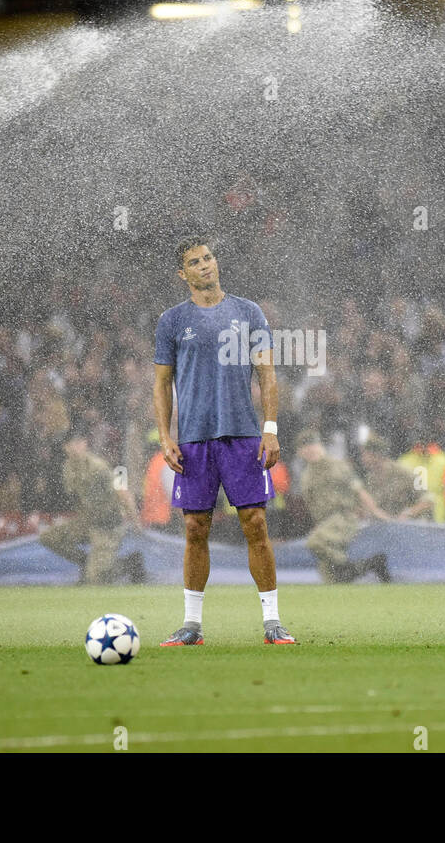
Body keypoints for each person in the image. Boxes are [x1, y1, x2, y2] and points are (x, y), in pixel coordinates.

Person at [153, 236, 295, 646]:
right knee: (196, 527)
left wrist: (270, 429)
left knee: (255, 523)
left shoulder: (248, 312)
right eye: (195, 262)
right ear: (183, 274)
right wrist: (166, 436)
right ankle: (192, 626)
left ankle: (273, 623)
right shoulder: (172, 321)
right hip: (194, 439)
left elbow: (267, 374)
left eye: (209, 258)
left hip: (243, 436)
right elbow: (161, 384)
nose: (205, 266)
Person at [38, 428, 146, 585]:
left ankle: (129, 564)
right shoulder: (68, 468)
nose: (75, 447)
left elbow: (123, 493)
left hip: (107, 525)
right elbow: (78, 498)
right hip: (88, 521)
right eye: (71, 444)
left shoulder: (99, 467)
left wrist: (136, 521)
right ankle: (87, 562)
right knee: (49, 538)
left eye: (78, 442)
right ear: (65, 447)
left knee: (95, 579)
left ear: (85, 444)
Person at [295, 431, 392, 583]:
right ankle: (369, 565)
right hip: (325, 523)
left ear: (320, 446)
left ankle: (352, 567)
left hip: (343, 517)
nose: (310, 450)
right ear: (300, 452)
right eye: (305, 447)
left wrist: (375, 511)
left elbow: (359, 490)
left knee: (315, 542)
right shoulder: (306, 476)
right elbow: (312, 505)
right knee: (333, 580)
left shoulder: (337, 466)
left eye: (313, 445)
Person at [360, 435, 432, 520]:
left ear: (376, 455)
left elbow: (428, 499)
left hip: (406, 528)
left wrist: (410, 513)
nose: (362, 458)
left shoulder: (404, 473)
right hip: (383, 528)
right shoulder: (369, 479)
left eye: (365, 454)